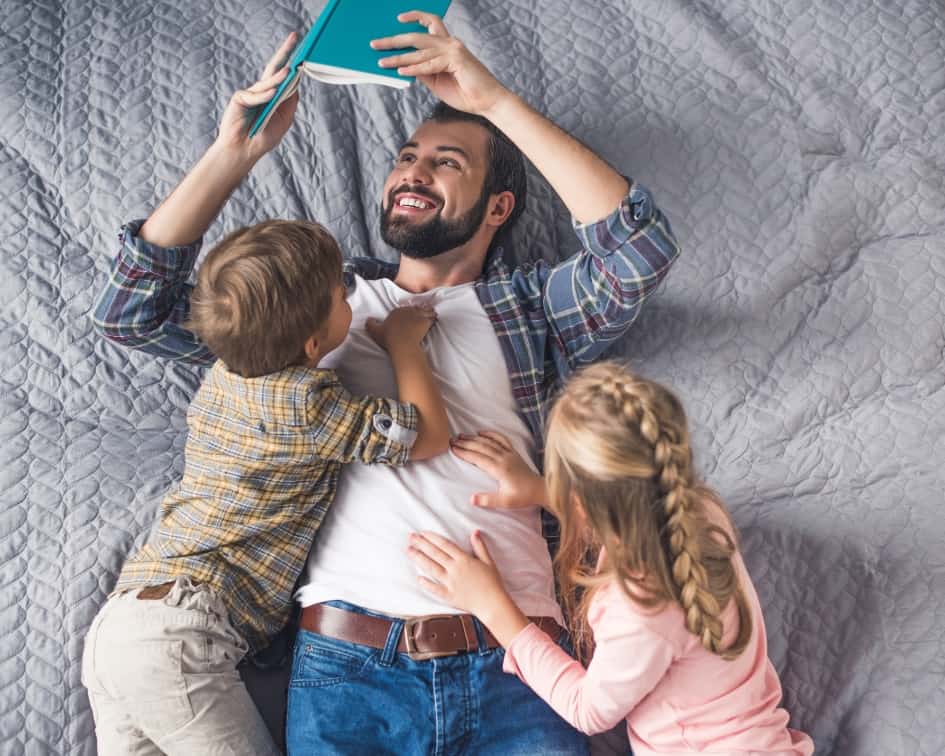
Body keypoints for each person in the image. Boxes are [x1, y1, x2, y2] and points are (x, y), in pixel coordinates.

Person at [91, 10, 680, 754]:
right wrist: (231, 155)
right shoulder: (317, 307)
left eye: (446, 162)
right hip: (349, 665)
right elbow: (131, 314)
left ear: (499, 207)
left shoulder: (527, 309)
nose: (413, 171)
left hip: (518, 660)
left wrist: (492, 102)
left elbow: (638, 250)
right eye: (407, 156)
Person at [81, 219, 450, 755]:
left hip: (119, 624)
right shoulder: (310, 405)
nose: (349, 294)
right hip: (181, 634)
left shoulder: (222, 377)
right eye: (339, 293)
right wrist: (403, 344)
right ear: (313, 341)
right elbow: (428, 435)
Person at [408, 361, 815, 756]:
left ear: (584, 501)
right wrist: (541, 491)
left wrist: (493, 607)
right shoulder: (700, 511)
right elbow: (623, 505)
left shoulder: (640, 608)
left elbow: (587, 710)